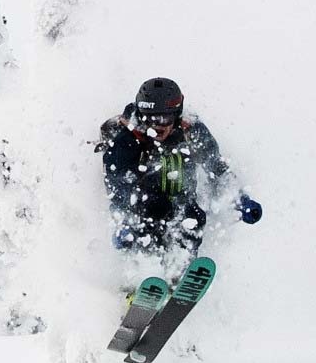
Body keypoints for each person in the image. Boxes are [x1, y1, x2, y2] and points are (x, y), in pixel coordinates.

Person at [98, 77, 261, 255]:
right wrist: (125, 223)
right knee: (152, 216)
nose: (158, 125)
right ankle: (142, 267)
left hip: (181, 195)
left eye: (164, 118)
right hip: (143, 201)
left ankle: (182, 263)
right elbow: (118, 184)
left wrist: (239, 200)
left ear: (176, 114)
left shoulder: (191, 131)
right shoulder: (127, 140)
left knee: (193, 218)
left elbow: (215, 166)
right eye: (151, 118)